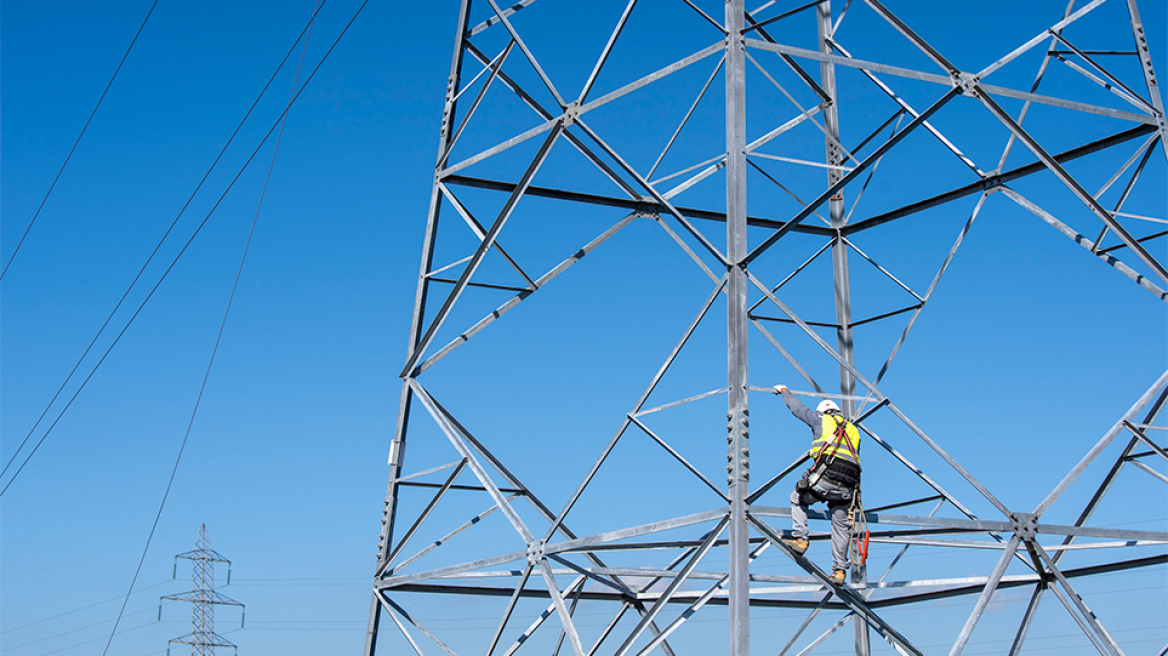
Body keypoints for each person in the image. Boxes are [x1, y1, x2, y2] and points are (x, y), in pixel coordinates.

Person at [773, 384, 861, 585]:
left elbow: (798, 409)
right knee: (841, 525)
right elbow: (856, 462)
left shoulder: (820, 419)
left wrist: (786, 391)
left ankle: (801, 539)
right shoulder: (853, 430)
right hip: (847, 488)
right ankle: (839, 570)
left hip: (825, 480)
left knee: (797, 497)